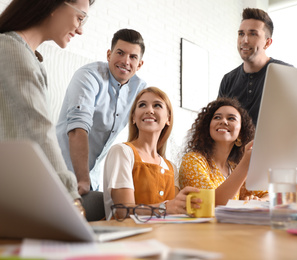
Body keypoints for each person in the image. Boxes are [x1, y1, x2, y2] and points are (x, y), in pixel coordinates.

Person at [0, 0, 95, 210]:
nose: (80, 30)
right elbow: (35, 131)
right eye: (80, 17)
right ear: (54, 6)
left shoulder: (25, 54)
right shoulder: (7, 48)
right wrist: (70, 200)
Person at [56, 29, 147, 195]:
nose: (126, 61)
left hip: (93, 178)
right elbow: (78, 127)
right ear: (109, 55)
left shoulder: (140, 89)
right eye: (120, 53)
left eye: (133, 57)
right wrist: (82, 180)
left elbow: (146, 132)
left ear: (140, 64)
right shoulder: (88, 76)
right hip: (60, 172)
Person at [103, 87, 200, 220]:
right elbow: (123, 211)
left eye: (157, 105)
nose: (149, 110)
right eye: (142, 105)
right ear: (133, 118)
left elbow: (175, 212)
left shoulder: (172, 167)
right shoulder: (122, 152)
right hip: (127, 237)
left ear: (168, 119)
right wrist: (165, 208)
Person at [179, 98, 268, 206]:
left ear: (240, 134)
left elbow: (269, 195)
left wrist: (258, 201)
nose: (223, 121)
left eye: (231, 118)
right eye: (217, 117)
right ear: (208, 127)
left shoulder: (233, 167)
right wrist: (245, 164)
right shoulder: (193, 160)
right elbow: (211, 204)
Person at [218, 8, 292, 126]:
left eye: (253, 34)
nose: (244, 40)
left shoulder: (286, 73)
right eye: (241, 34)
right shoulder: (228, 80)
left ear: (267, 42)